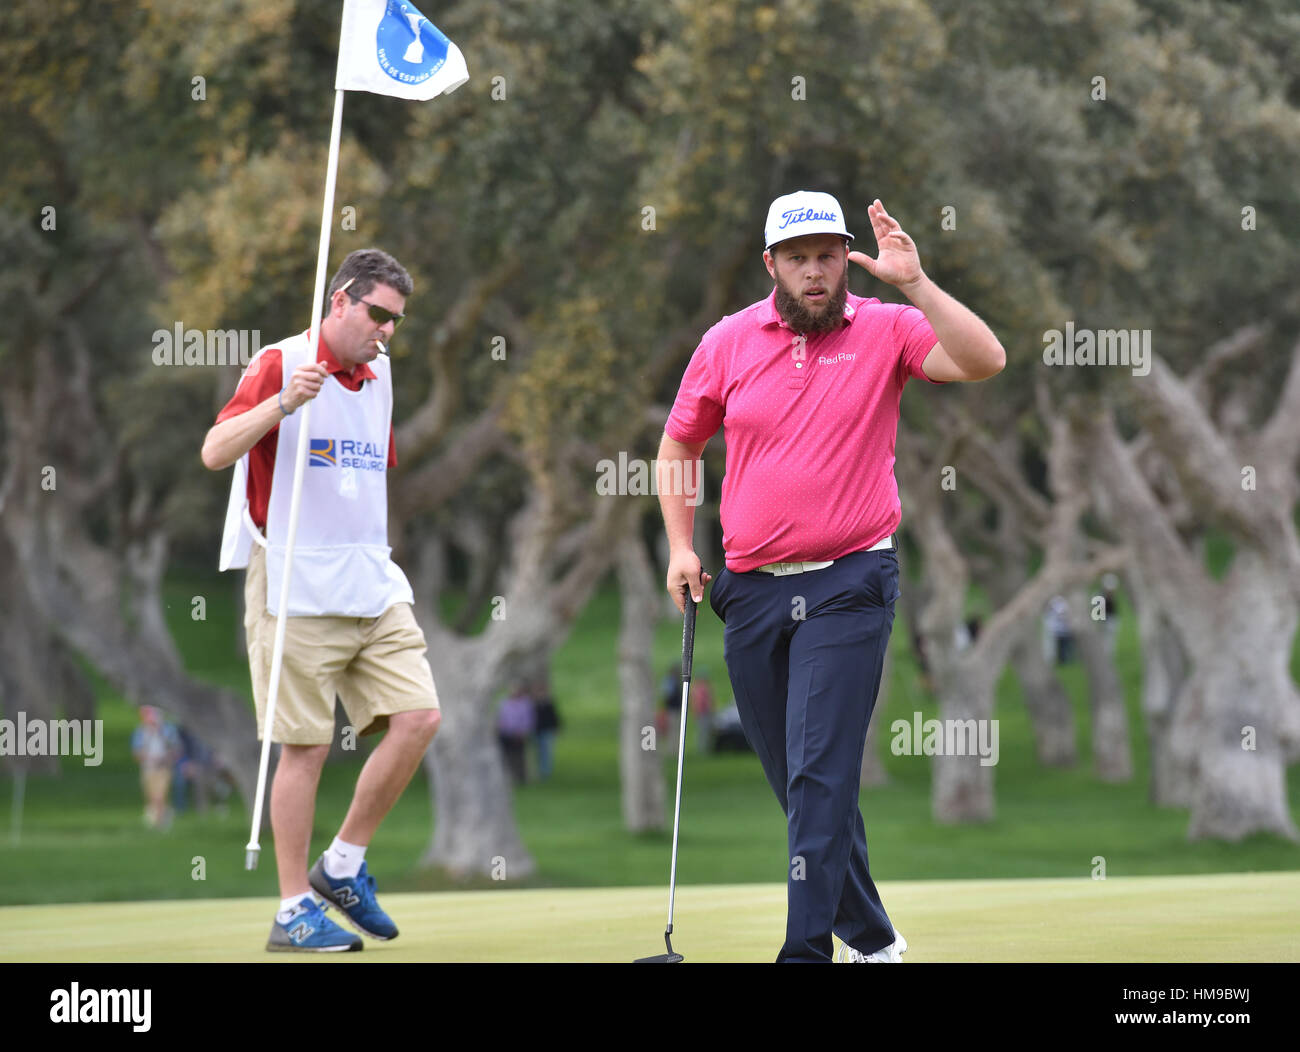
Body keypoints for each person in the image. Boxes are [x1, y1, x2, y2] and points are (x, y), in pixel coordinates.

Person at [656, 192, 1005, 963]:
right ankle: (876, 941)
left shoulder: (888, 327)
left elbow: (984, 360)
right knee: (801, 785)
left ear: (847, 257)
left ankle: (806, 952)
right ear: (771, 265)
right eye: (797, 257)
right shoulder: (726, 341)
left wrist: (916, 282)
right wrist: (682, 545)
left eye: (827, 255)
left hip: (851, 579)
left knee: (819, 773)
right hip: (749, 590)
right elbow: (680, 448)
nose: (814, 272)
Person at [201, 248, 441, 953]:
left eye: (396, 319)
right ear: (339, 301)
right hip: (293, 583)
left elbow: (363, 478)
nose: (387, 330)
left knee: (420, 717)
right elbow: (216, 450)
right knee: (304, 750)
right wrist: (284, 404)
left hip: (370, 578)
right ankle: (291, 909)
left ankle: (341, 866)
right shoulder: (279, 362)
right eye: (377, 314)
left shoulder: (382, 374)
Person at [131, 706, 181, 830]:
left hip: (164, 767)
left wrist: (166, 757)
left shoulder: (168, 731)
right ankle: (161, 817)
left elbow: (176, 749)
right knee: (152, 797)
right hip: (148, 768)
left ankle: (159, 824)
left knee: (160, 796)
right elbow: (137, 753)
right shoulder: (141, 732)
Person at [497, 685, 535, 785]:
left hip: (519, 734)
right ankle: (507, 776)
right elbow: (500, 717)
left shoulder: (525, 704)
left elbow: (528, 720)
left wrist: (523, 731)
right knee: (506, 756)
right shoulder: (504, 702)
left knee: (519, 757)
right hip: (505, 733)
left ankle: (521, 777)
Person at [530, 678, 561, 781]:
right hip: (536, 730)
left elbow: (554, 718)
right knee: (537, 752)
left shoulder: (548, 704)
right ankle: (539, 771)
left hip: (546, 730)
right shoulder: (533, 704)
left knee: (545, 751)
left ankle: (545, 772)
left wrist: (556, 728)